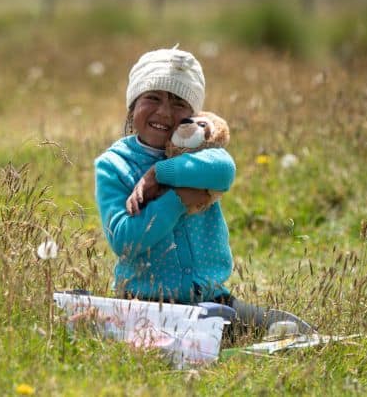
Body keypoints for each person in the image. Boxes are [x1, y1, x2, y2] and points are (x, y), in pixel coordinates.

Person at [94, 46, 315, 339]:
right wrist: (179, 198)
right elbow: (124, 240)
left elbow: (224, 170)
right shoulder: (114, 164)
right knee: (192, 342)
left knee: (292, 331)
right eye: (152, 98)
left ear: (192, 115)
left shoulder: (202, 153)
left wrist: (158, 175)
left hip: (212, 301)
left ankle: (226, 333)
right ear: (133, 105)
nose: (164, 112)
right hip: (145, 303)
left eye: (178, 103)